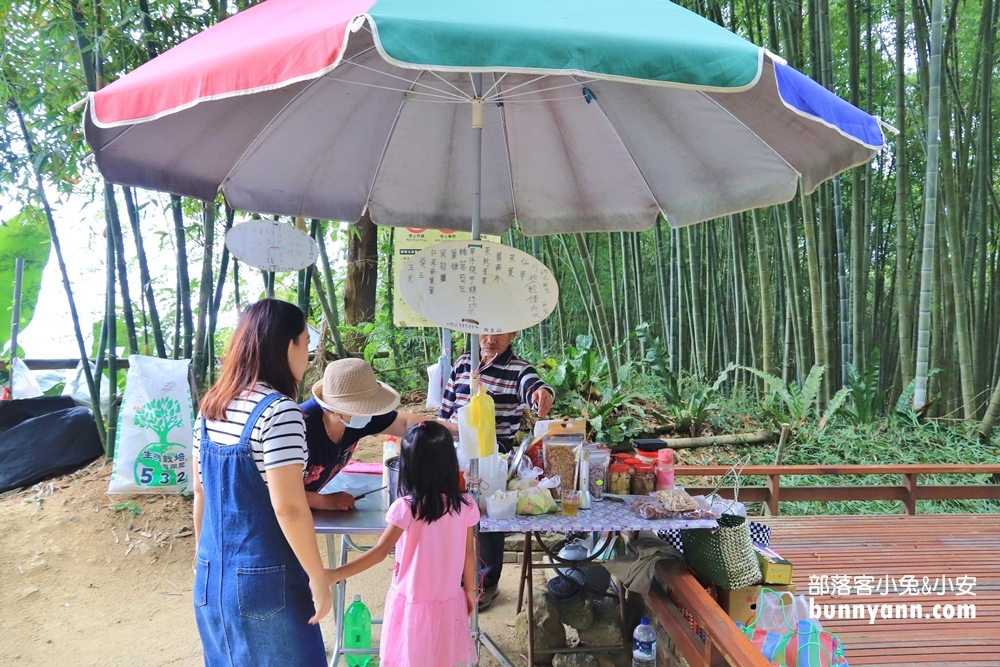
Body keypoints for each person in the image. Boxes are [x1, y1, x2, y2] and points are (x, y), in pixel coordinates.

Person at [191, 299, 334, 667]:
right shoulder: (280, 411)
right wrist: (318, 577)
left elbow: (201, 493)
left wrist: (201, 560)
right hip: (265, 583)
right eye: (305, 342)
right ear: (288, 345)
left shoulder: (212, 407)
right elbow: (288, 506)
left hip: (210, 575)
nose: (308, 353)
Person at [328, 421, 479, 667]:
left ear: (409, 467)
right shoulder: (465, 505)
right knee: (444, 659)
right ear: (450, 463)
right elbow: (469, 553)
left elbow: (378, 553)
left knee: (410, 659)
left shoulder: (406, 508)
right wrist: (469, 592)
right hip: (449, 601)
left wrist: (334, 574)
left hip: (411, 604)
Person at [438, 331, 554, 611]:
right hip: (454, 454)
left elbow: (534, 386)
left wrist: (544, 393)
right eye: (486, 331)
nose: (491, 339)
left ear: (513, 333)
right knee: (450, 513)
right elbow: (445, 411)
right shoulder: (464, 363)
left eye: (499, 332)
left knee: (488, 518)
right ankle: (452, 581)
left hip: (493, 459)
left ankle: (486, 584)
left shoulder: (518, 369)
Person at [301, 358, 458, 511]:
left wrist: (462, 431)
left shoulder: (355, 418)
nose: (370, 414)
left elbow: (405, 423)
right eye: (362, 409)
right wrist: (324, 501)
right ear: (336, 409)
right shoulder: (298, 427)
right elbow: (279, 493)